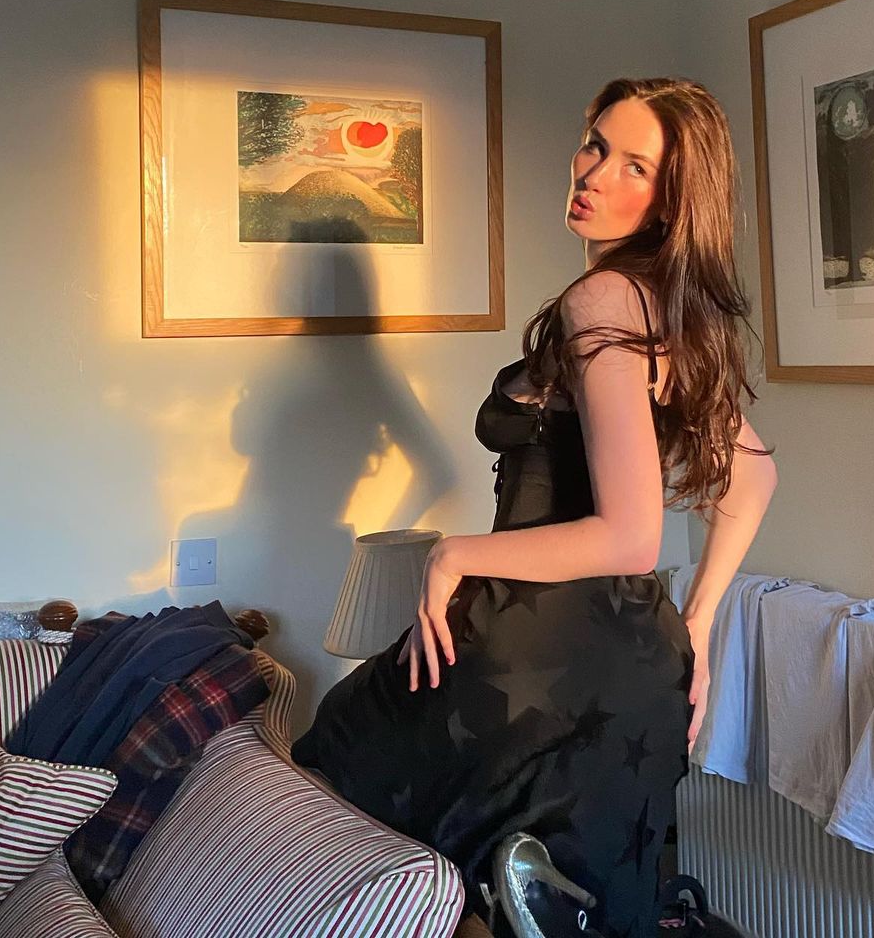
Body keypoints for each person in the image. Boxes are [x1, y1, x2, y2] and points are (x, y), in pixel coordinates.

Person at [291, 77, 779, 938]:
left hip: (549, 648)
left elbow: (631, 536)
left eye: (635, 166)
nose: (594, 173)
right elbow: (756, 478)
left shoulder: (603, 301)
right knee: (544, 898)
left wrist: (455, 553)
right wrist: (697, 626)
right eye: (596, 145)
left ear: (672, 199)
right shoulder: (664, 308)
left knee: (332, 760)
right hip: (624, 664)